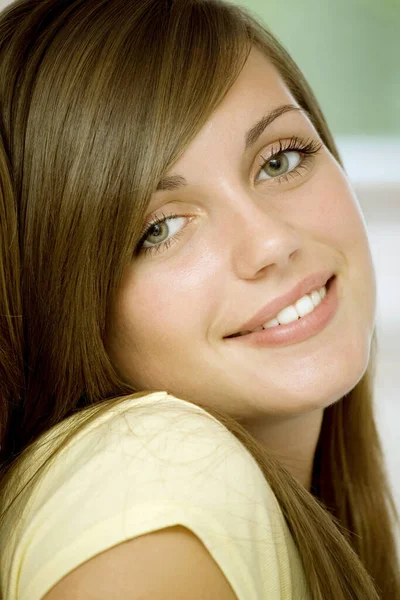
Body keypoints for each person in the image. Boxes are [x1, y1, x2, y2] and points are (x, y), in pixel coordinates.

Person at [0, 0, 398, 598]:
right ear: (63, 298)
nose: (271, 241)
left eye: (280, 160)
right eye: (159, 228)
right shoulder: (156, 471)